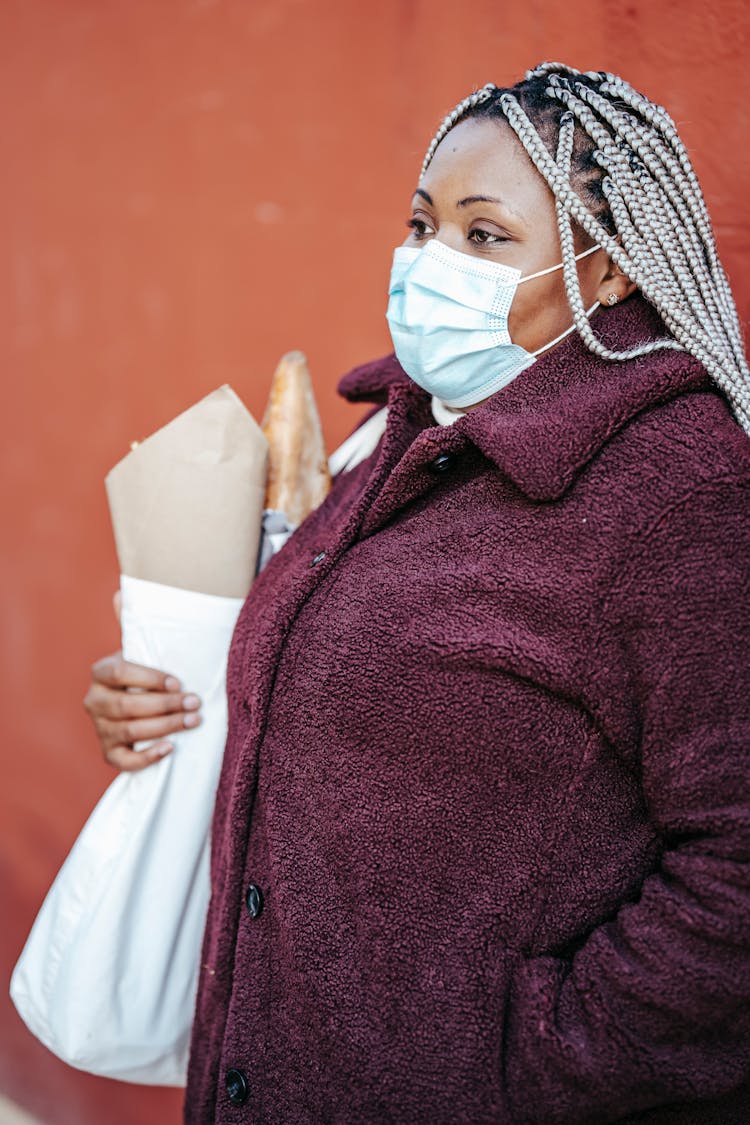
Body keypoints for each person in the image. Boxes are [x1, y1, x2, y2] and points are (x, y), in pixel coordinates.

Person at [84, 63, 750, 1123]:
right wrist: (167, 704)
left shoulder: (678, 492)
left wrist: (522, 1064)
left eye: (486, 236)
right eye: (422, 223)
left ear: (612, 271)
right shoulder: (390, 431)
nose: (430, 263)